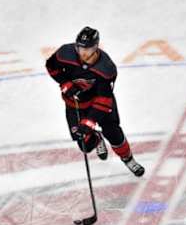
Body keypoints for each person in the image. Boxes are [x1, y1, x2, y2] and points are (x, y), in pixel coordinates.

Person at [45, 26, 145, 177]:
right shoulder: (65, 53)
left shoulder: (106, 68)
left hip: (98, 105)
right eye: (79, 48)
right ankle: (97, 139)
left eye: (87, 49)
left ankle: (127, 158)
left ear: (96, 47)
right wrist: (65, 82)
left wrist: (90, 121)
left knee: (113, 133)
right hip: (74, 105)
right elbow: (51, 66)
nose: (82, 52)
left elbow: (104, 100)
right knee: (84, 144)